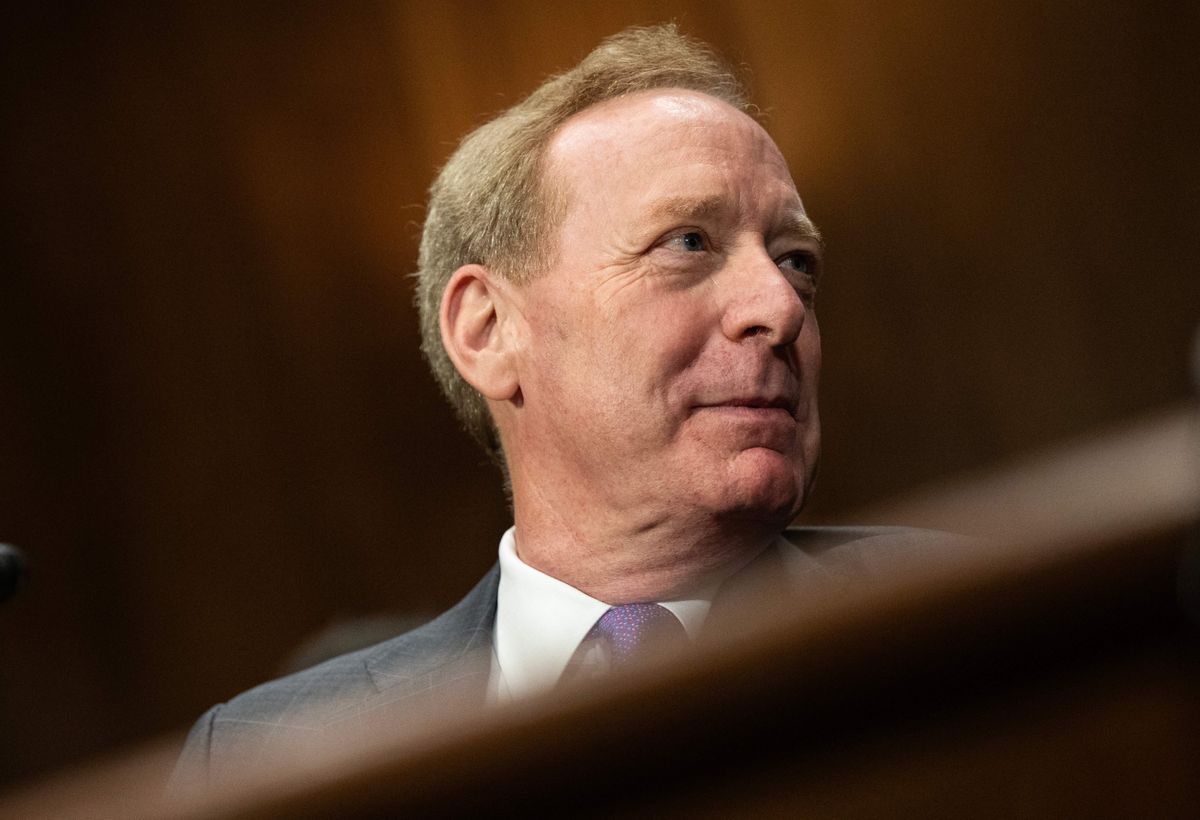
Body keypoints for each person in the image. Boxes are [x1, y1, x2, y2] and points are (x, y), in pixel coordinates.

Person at [171, 24, 950, 791]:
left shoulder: (952, 625)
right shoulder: (264, 756)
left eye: (796, 261)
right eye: (688, 243)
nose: (779, 306)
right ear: (489, 330)